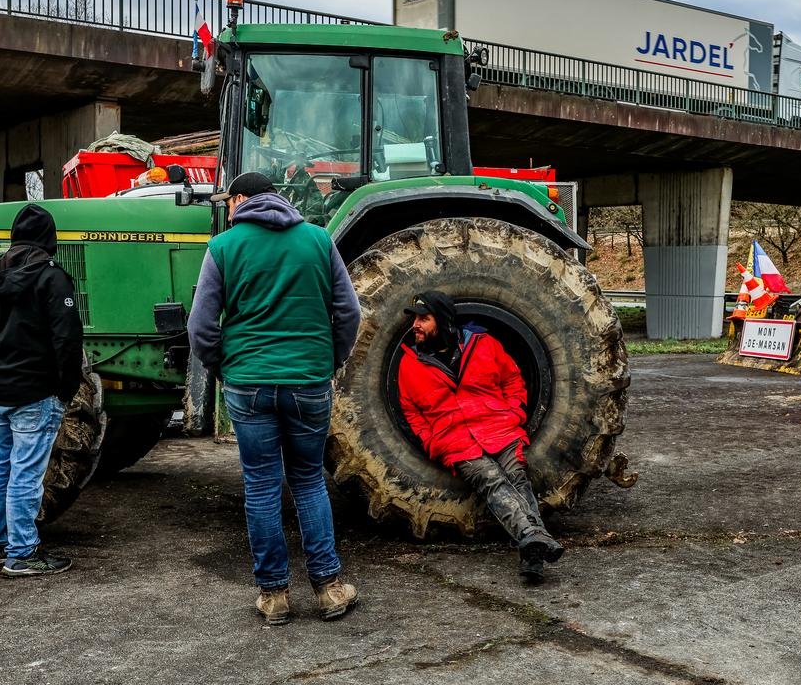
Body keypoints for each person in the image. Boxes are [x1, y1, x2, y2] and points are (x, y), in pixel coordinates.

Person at [187, 171, 362, 625]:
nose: (228, 207)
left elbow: (200, 327)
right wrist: (330, 359)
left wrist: (223, 367)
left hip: (249, 383)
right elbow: (349, 311)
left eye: (230, 200)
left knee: (261, 486)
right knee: (307, 480)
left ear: (242, 199)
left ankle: (274, 595)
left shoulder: (224, 247)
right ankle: (328, 588)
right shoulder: (319, 240)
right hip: (309, 380)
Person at [396, 291, 564, 582]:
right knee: (491, 480)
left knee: (516, 475)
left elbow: (512, 379)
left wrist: (515, 415)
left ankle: (532, 550)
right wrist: (430, 440)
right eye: (415, 320)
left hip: (499, 427)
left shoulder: (484, 344)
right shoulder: (409, 363)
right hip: (455, 440)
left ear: (444, 321)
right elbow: (411, 412)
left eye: (424, 319)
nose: (416, 326)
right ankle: (533, 536)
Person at [0, 204, 82, 577]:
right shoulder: (52, 278)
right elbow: (67, 339)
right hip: (35, 391)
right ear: (49, 241)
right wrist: (65, 389)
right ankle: (22, 553)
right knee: (26, 473)